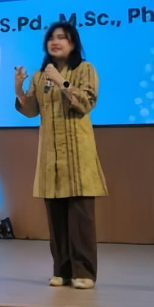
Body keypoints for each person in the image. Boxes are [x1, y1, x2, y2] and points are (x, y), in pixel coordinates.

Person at [14, 21, 108, 289]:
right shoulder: (39, 76)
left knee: (80, 219)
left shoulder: (85, 69)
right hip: (50, 157)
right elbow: (31, 111)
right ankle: (62, 270)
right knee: (56, 219)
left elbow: (86, 102)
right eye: (51, 38)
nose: (55, 42)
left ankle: (84, 273)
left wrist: (62, 81)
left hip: (78, 156)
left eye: (61, 38)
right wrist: (19, 89)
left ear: (73, 43)